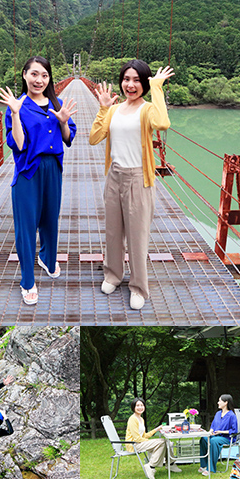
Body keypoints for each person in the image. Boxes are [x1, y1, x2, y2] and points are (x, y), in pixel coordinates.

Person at [89, 60, 175, 310]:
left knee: (137, 236)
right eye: (127, 79)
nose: (131, 84)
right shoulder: (114, 110)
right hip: (114, 176)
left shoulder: (147, 109)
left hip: (139, 178)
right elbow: (95, 138)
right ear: (121, 81)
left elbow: (162, 124)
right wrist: (103, 108)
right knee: (113, 232)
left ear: (145, 83)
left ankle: (138, 287)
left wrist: (157, 87)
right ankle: (113, 275)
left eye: (137, 80)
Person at [0, 56, 79, 305]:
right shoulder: (18, 105)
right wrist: (15, 112)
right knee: (26, 226)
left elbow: (68, 138)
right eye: (34, 74)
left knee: (50, 219)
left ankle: (47, 257)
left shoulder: (58, 102)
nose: (39, 80)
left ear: (49, 78)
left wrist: (63, 122)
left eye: (44, 75)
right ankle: (27, 281)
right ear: (24, 75)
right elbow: (19, 144)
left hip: (53, 168)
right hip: (28, 170)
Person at [125, 398, 180, 479]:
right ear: (133, 407)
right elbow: (136, 438)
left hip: (140, 442)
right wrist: (151, 441)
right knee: (162, 442)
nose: (140, 407)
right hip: (133, 445)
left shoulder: (141, 419)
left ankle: (170, 464)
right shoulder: (132, 419)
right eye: (137, 406)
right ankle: (151, 466)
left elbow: (144, 435)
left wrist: (157, 429)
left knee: (164, 442)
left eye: (142, 405)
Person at [200, 394, 240, 475]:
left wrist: (221, 432)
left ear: (225, 403)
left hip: (227, 438)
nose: (218, 403)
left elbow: (234, 430)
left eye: (219, 401)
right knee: (203, 438)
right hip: (216, 435)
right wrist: (211, 431)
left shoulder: (232, 415)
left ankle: (210, 469)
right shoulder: (218, 413)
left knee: (214, 441)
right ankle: (204, 465)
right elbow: (213, 425)